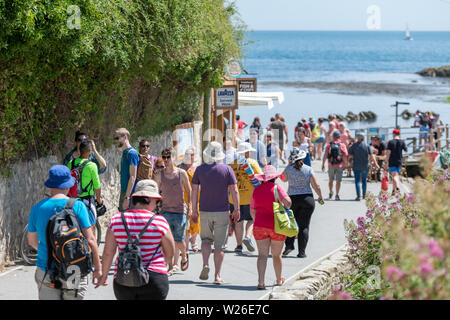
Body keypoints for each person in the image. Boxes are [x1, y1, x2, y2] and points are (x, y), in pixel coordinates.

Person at [27, 165, 102, 300]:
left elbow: (31, 241)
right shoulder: (78, 206)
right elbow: (91, 240)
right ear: (68, 186)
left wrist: (50, 250)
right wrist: (98, 268)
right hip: (74, 269)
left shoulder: (38, 208)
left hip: (46, 269)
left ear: (50, 186)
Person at [96, 179, 176, 300]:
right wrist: (162, 264)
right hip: (154, 278)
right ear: (149, 199)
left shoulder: (117, 220)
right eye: (157, 201)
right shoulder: (159, 221)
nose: (157, 204)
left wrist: (104, 275)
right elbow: (170, 252)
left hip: (124, 278)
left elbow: (108, 252)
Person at [191, 141, 240, 284]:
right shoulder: (227, 169)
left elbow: (194, 191)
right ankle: (217, 276)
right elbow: (234, 190)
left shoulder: (199, 170)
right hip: (222, 212)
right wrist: (236, 209)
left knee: (205, 240)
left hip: (205, 210)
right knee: (219, 246)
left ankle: (205, 264)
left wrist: (194, 210)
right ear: (220, 155)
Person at [251, 165, 292, 289]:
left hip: (259, 226)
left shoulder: (256, 190)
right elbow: (288, 203)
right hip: (276, 226)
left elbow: (252, 210)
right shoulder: (277, 188)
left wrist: (258, 221)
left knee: (262, 255)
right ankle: (279, 280)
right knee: (276, 255)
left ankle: (261, 282)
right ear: (274, 178)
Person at [154, 147, 192, 275]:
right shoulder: (159, 175)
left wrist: (190, 207)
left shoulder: (181, 173)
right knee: (166, 241)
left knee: (179, 240)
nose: (165, 160)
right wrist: (154, 207)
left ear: (174, 158)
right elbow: (155, 191)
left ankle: (184, 255)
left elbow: (188, 190)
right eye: (164, 157)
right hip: (165, 211)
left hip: (180, 210)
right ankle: (169, 266)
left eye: (168, 157)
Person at [281, 149, 324, 258]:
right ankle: (302, 252)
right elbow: (316, 185)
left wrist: (288, 166)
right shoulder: (308, 169)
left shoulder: (289, 169)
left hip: (292, 199)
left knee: (291, 223)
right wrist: (320, 196)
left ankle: (289, 245)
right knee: (304, 226)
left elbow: (283, 179)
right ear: (303, 158)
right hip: (307, 199)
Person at [229, 142, 263, 253]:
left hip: (234, 198)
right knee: (251, 219)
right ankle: (247, 237)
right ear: (247, 152)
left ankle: (239, 246)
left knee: (238, 222)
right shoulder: (252, 163)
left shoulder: (231, 164)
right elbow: (261, 178)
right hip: (250, 198)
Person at [67, 140, 104, 236]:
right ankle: (91, 247)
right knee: (91, 225)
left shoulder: (71, 163)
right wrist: (99, 199)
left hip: (72, 200)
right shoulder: (91, 165)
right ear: (89, 151)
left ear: (79, 151)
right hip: (87, 200)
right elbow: (97, 186)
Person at [179, 147, 201, 253]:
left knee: (195, 221)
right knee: (184, 221)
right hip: (182, 197)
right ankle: (186, 243)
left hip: (195, 197)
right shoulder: (179, 167)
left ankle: (194, 242)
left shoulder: (197, 168)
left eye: (192, 155)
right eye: (188, 155)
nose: (190, 157)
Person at [114, 128, 139, 211]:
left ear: (125, 137)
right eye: (115, 138)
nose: (115, 141)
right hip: (124, 191)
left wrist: (127, 197)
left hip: (130, 194)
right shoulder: (125, 153)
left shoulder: (131, 153)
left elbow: (133, 176)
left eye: (117, 138)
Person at [348, 134, 379, 201]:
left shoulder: (354, 145)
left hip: (356, 165)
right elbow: (372, 155)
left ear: (358, 138)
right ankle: (364, 195)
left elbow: (349, 154)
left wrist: (348, 162)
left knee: (357, 181)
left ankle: (358, 196)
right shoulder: (367, 145)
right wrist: (376, 164)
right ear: (363, 138)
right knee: (364, 180)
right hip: (365, 166)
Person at [322, 130, 349, 201]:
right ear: (339, 137)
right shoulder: (342, 145)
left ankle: (331, 192)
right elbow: (345, 155)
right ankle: (337, 195)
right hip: (339, 165)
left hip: (331, 164)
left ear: (333, 137)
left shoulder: (329, 145)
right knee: (338, 181)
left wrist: (323, 164)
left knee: (331, 180)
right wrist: (346, 164)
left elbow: (325, 155)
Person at [384, 129, 408, 195]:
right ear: (399, 134)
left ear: (393, 134)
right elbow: (406, 150)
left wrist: (386, 162)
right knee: (396, 175)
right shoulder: (402, 141)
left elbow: (388, 153)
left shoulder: (391, 142)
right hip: (399, 160)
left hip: (392, 160)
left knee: (394, 176)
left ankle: (397, 188)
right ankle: (393, 190)